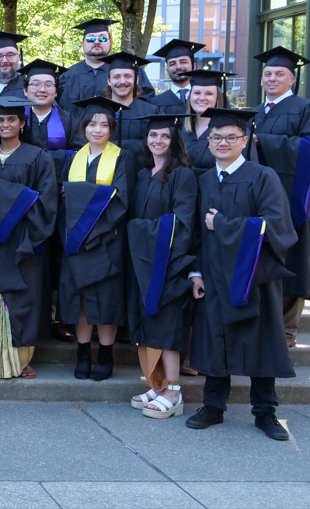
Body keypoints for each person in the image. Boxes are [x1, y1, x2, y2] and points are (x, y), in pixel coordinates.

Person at [185, 107, 297, 441]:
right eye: (216, 137)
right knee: (215, 338)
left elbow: (276, 227)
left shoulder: (263, 176)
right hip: (214, 275)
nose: (223, 142)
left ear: (245, 141)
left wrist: (222, 224)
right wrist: (195, 272)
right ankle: (213, 405)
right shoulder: (204, 180)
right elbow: (196, 233)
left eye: (231, 137)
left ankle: (265, 411)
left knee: (259, 342)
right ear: (208, 141)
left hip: (254, 276)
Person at [0, 101, 58, 380]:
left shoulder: (38, 156)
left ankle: (19, 357)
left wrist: (6, 195)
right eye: (0, 121)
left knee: (21, 296)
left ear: (22, 123)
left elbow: (47, 199)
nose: (5, 125)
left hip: (23, 237)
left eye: (11, 120)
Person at [251, 46, 310, 348]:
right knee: (260, 255)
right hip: (258, 199)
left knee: (293, 255)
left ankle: (286, 329)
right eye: (268, 74)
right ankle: (259, 322)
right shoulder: (254, 113)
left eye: (279, 74)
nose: (272, 78)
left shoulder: (307, 109)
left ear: (292, 79)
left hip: (293, 198)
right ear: (261, 79)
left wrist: (264, 141)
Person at [124, 113, 197, 418]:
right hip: (142, 262)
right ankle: (157, 384)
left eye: (165, 136)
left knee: (167, 326)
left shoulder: (182, 176)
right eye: (153, 135)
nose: (158, 141)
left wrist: (137, 230)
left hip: (167, 262)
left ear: (174, 141)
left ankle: (174, 391)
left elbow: (182, 222)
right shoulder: (143, 175)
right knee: (149, 323)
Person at [58, 96, 130, 382]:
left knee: (106, 299)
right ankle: (83, 353)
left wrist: (76, 193)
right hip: (77, 239)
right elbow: (63, 197)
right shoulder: (74, 157)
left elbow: (121, 198)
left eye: (104, 125)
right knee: (81, 299)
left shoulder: (121, 157)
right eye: (91, 124)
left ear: (112, 129)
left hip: (107, 239)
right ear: (84, 128)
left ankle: (106, 355)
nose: (97, 130)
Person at [12, 60, 84, 345]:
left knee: (55, 257)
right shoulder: (16, 118)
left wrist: (68, 182)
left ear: (56, 91)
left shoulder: (69, 119)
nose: (42, 89)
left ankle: (55, 317)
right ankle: (23, 314)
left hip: (58, 199)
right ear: (25, 90)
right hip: (23, 200)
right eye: (36, 84)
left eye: (48, 85)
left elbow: (80, 154)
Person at [58, 19, 156, 112]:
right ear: (83, 43)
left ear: (110, 42)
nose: (97, 42)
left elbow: (146, 104)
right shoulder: (65, 76)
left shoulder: (129, 71)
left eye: (103, 38)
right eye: (91, 38)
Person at [97, 52, 161, 163]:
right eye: (116, 77)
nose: (122, 81)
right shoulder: (98, 112)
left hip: (142, 170)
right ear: (109, 81)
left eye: (128, 76)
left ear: (137, 80)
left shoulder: (151, 112)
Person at [178, 69, 236, 178]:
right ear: (190, 96)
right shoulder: (182, 130)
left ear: (218, 97)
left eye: (209, 93)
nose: (202, 98)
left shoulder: (233, 132)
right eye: (197, 93)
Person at [149, 39, 205, 115]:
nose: (178, 67)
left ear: (194, 66)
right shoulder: (155, 103)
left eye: (183, 62)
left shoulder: (205, 99)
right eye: (172, 64)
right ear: (167, 70)